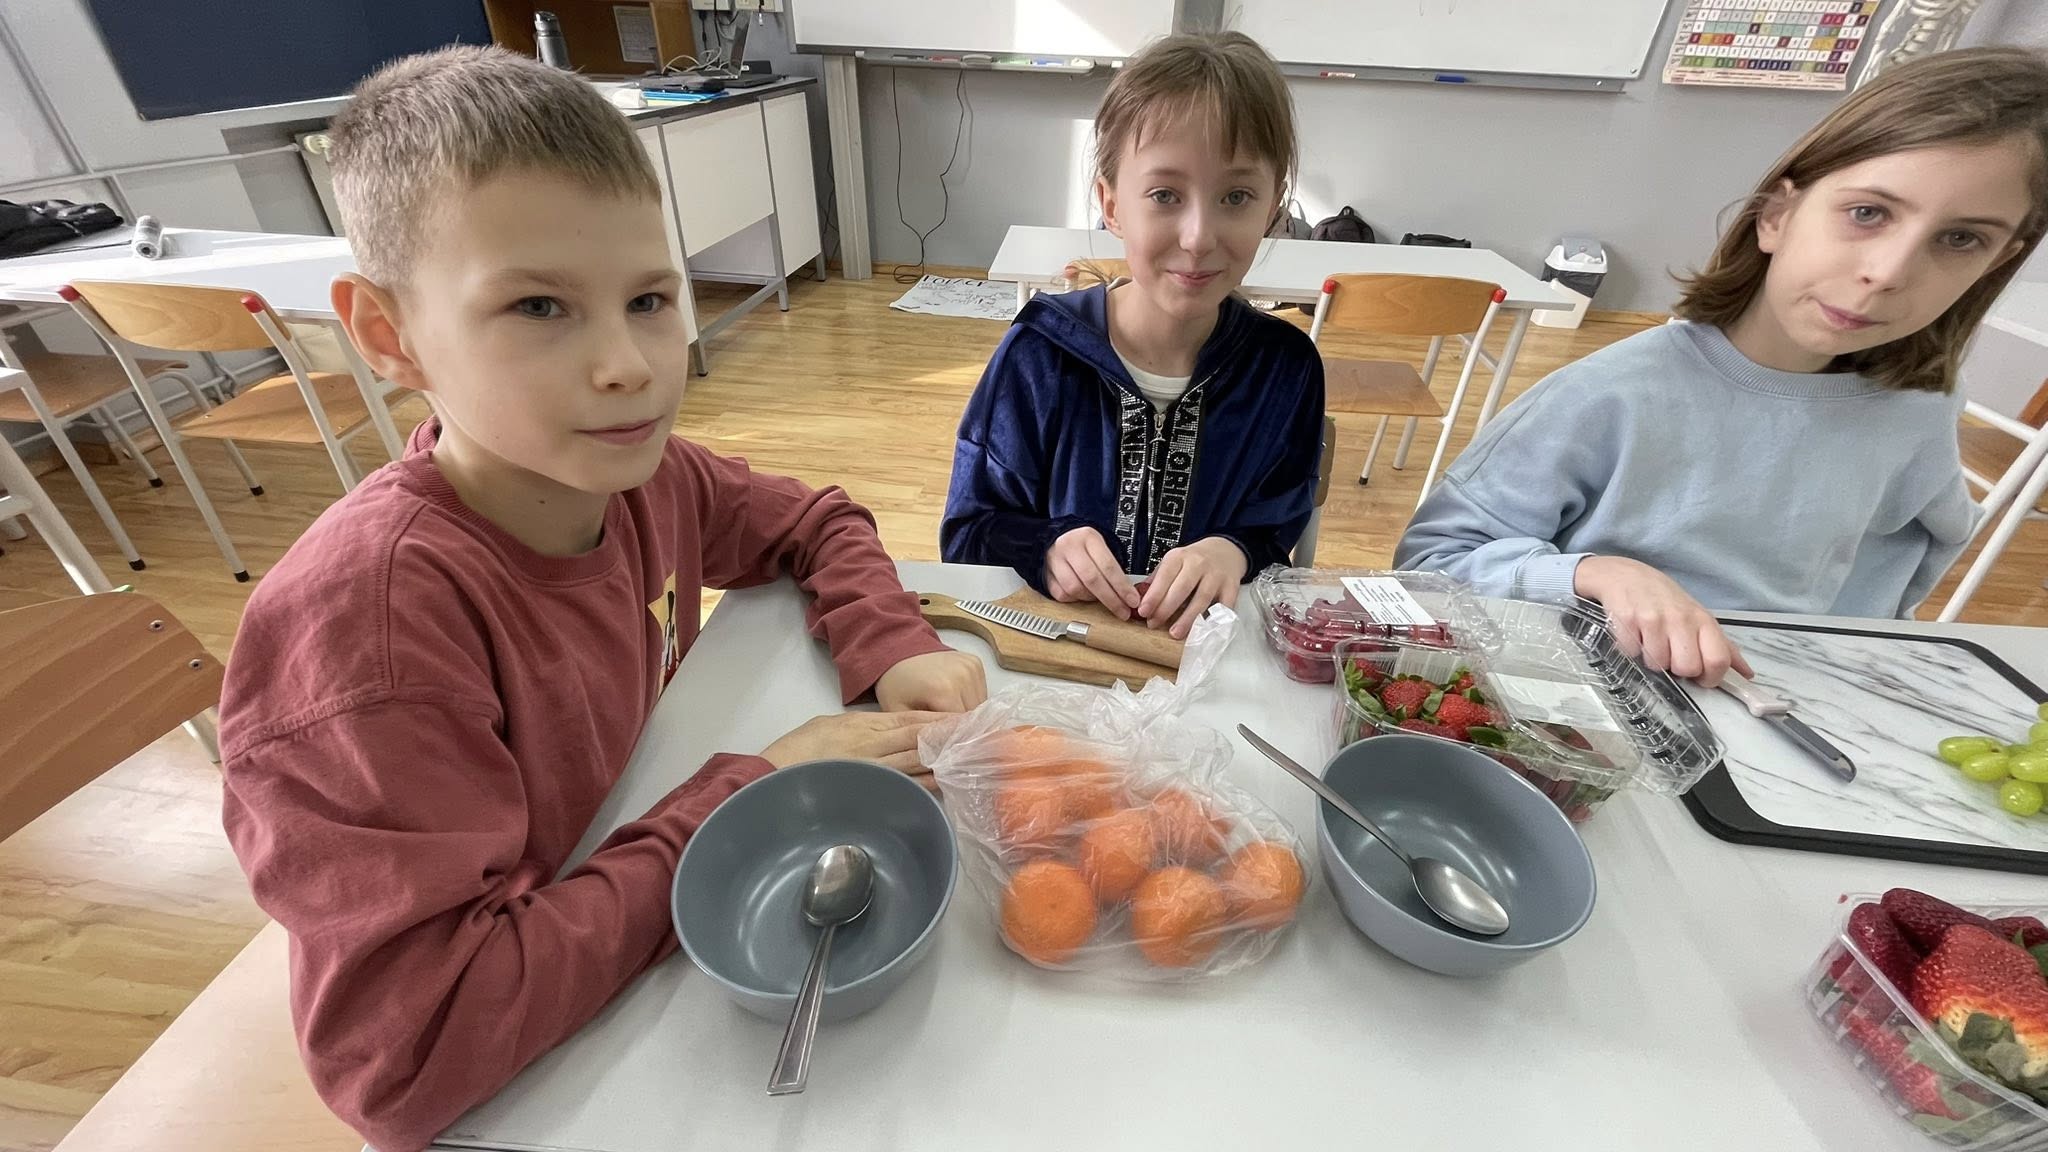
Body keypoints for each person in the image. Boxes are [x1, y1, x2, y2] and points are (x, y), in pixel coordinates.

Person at [215, 46, 985, 1152]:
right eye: (539, 305)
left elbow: (813, 519)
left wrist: (891, 643)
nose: (629, 364)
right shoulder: (368, 636)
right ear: (389, 336)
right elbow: (408, 1056)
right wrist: (749, 791)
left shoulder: (638, 478)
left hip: (607, 916)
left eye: (650, 298)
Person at [1397, 47, 2048, 687]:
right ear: (1776, 216)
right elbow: (1430, 567)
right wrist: (1595, 573)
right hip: (1575, 700)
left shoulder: (1922, 410)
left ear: (1997, 260)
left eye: (1960, 239)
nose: (1887, 273)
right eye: (1867, 213)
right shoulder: (1611, 394)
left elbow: (1881, 602)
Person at [939, 31, 1325, 640]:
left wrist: (1234, 550)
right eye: (1165, 195)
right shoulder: (1040, 353)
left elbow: (1275, 530)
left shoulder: (1286, 368)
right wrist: (1045, 545)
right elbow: (968, 533)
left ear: (1273, 205)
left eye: (1236, 196)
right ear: (1112, 205)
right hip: (1060, 659)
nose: (1198, 237)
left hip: (1204, 662)